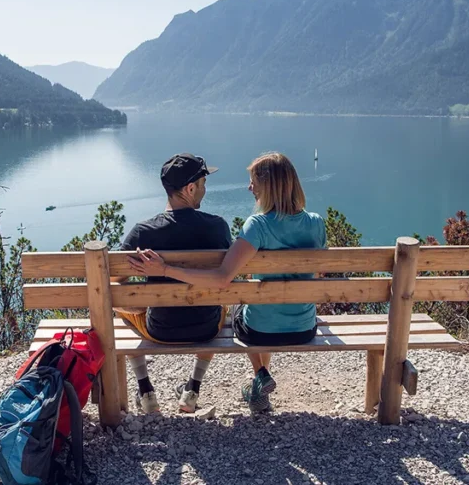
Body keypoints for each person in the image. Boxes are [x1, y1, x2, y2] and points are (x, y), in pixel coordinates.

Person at [129, 152, 326, 413]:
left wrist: (164, 270)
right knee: (235, 305)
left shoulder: (257, 225)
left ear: (268, 186)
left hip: (252, 330)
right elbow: (320, 273)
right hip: (305, 328)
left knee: (240, 306)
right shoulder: (316, 223)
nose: (249, 187)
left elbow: (223, 278)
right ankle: (240, 383)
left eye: (253, 181)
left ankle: (260, 374)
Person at [114, 153, 232, 414]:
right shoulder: (218, 228)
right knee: (219, 303)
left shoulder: (143, 232)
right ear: (190, 189)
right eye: (202, 183)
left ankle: (146, 391)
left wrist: (140, 305)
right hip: (207, 327)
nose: (204, 189)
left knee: (121, 309)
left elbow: (115, 284)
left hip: (160, 329)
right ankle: (192, 390)